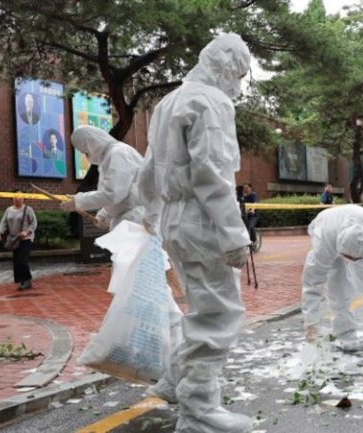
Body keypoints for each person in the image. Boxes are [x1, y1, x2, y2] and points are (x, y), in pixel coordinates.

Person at [136, 33, 253, 433]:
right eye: (238, 73)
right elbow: (213, 174)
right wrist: (235, 236)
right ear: (225, 65)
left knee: (202, 308)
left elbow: (149, 169)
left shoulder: (168, 102)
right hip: (200, 219)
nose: (238, 84)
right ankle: (198, 410)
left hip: (174, 217)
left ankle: (175, 382)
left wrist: (152, 212)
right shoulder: (211, 102)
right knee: (218, 314)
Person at [302, 204, 363, 351]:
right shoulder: (323, 246)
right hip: (328, 229)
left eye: (355, 258)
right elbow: (312, 284)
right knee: (337, 286)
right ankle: (344, 330)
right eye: (349, 258)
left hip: (356, 238)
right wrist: (310, 324)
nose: (352, 262)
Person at [59, 125, 144, 230]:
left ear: (90, 144)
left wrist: (79, 201)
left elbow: (113, 194)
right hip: (130, 220)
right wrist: (104, 214)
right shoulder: (110, 156)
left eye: (85, 152)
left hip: (136, 221)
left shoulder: (118, 153)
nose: (86, 156)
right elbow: (116, 194)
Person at [0, 190, 37, 290]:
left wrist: (27, 232)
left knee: (22, 259)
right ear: (12, 198)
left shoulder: (28, 209)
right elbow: (3, 223)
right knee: (16, 261)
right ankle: (21, 280)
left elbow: (34, 223)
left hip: (26, 239)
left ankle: (27, 280)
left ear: (23, 199)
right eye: (15, 198)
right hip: (14, 238)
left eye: (20, 198)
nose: (17, 200)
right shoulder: (8, 210)